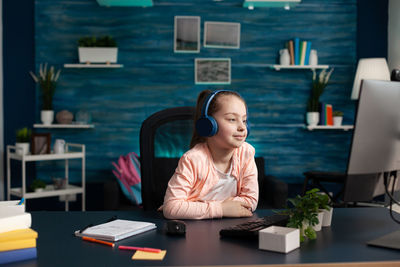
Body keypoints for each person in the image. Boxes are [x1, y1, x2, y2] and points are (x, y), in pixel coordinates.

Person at [162, 89, 258, 219]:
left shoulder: (246, 153)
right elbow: (171, 208)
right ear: (209, 124)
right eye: (232, 119)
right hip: (195, 232)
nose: (242, 127)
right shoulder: (193, 159)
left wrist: (190, 208)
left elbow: (251, 201)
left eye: (245, 120)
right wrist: (222, 209)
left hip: (229, 228)